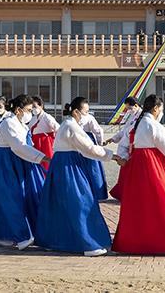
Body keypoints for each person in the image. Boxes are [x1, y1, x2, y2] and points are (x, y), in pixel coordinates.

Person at [35, 97, 124, 256]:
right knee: (81, 202)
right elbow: (89, 148)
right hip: (68, 167)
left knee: (60, 204)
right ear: (76, 111)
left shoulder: (68, 124)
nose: (87, 115)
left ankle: (53, 240)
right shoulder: (71, 126)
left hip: (62, 165)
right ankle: (87, 243)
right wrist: (113, 156)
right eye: (85, 112)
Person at [112, 95, 165, 257]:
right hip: (152, 166)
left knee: (139, 206)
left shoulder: (136, 124)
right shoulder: (154, 125)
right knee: (164, 202)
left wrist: (123, 158)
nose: (161, 112)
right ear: (155, 109)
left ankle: (133, 243)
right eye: (160, 108)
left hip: (135, 167)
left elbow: (124, 144)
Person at [0, 94, 50, 250]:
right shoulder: (8, 123)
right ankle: (21, 236)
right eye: (28, 110)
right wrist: (43, 157)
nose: (31, 113)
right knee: (10, 199)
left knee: (23, 198)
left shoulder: (21, 124)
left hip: (19, 162)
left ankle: (5, 235)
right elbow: (18, 146)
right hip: (6, 164)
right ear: (18, 110)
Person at [106, 97, 142, 200]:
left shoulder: (142, 116)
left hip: (133, 145)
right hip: (127, 145)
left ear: (136, 105)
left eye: (129, 108)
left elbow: (130, 132)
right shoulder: (132, 115)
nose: (128, 110)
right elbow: (124, 130)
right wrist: (113, 139)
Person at [78, 108, 109, 200]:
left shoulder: (71, 119)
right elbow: (98, 131)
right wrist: (100, 142)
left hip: (77, 142)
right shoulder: (89, 117)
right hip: (88, 141)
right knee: (93, 168)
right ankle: (96, 192)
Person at [29, 96, 60, 171]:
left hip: (46, 143)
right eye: (32, 107)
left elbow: (58, 128)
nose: (33, 109)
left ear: (41, 106)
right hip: (35, 142)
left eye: (35, 106)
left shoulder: (47, 117)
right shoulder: (33, 118)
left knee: (46, 163)